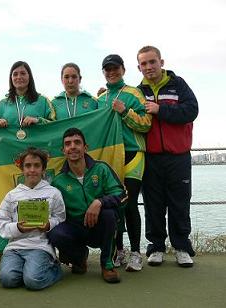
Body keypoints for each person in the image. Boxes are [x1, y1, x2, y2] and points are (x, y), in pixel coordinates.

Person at [137, 46, 198, 267]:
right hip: (151, 158)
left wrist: (160, 110)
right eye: (144, 63)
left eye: (152, 62)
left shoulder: (178, 84)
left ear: (161, 62)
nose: (149, 67)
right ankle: (156, 248)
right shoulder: (137, 91)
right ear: (138, 67)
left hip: (178, 157)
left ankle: (182, 247)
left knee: (179, 203)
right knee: (153, 204)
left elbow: (192, 111)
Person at [48, 128, 126, 283]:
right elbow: (54, 212)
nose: (73, 147)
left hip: (100, 227)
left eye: (77, 142)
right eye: (68, 144)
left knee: (109, 214)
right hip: (76, 228)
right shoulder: (58, 181)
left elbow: (122, 194)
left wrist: (100, 202)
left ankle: (107, 264)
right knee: (55, 233)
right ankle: (79, 258)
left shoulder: (101, 168)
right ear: (63, 150)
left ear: (85, 147)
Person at [97, 54, 151, 272]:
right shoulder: (99, 100)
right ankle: (118, 251)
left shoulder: (134, 93)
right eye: (107, 69)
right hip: (110, 158)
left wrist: (125, 111)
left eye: (115, 68)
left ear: (123, 69)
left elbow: (146, 124)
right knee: (114, 204)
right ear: (103, 72)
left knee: (129, 205)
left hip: (133, 154)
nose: (111, 72)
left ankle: (136, 253)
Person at [0, 147, 65, 290]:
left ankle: (55, 269)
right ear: (22, 169)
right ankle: (26, 270)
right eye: (28, 166)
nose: (32, 170)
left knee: (33, 281)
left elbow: (61, 218)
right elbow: (0, 222)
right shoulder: (12, 195)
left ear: (43, 169)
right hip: (15, 247)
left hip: (40, 246)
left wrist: (48, 225)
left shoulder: (53, 193)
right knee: (7, 280)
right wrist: (18, 227)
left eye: (37, 165)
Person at [0, 61, 55, 138]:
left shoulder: (43, 101)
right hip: (9, 148)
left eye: (23, 73)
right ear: (11, 78)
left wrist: (37, 120)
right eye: (15, 74)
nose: (19, 77)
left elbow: (54, 126)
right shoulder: (2, 104)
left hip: (36, 148)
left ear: (29, 76)